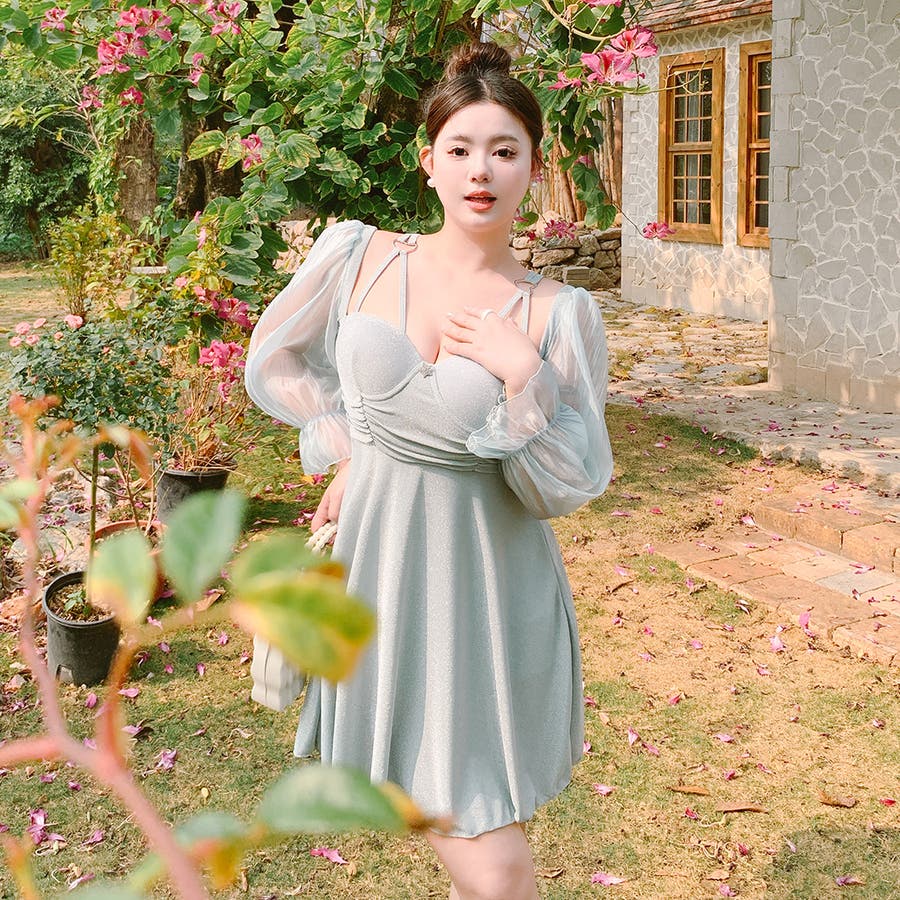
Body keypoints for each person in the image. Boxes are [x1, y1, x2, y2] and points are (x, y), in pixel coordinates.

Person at [245, 40, 613, 900]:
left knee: (494, 863)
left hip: (486, 597)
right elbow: (278, 358)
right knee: (474, 847)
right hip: (378, 577)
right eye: (461, 148)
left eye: (504, 150)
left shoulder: (559, 314)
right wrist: (354, 447)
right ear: (430, 161)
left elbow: (564, 482)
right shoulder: (362, 256)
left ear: (535, 167)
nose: (481, 170)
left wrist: (525, 375)